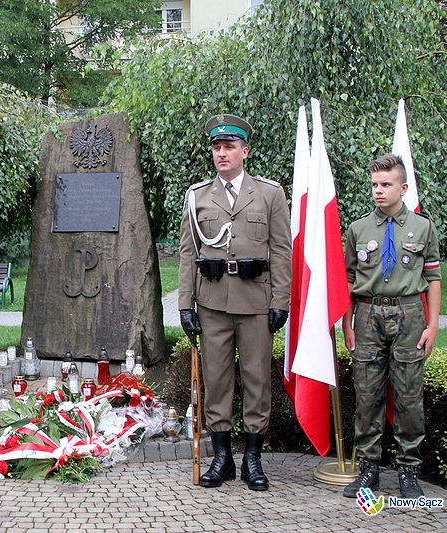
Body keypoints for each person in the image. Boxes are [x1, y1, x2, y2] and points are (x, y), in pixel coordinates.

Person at [178, 114, 292, 491]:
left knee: (258, 380)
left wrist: (281, 300)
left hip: (255, 301)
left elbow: (281, 251)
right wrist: (184, 304)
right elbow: (186, 253)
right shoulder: (197, 197)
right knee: (217, 379)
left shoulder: (270, 194)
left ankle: (253, 460)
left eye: (229, 147)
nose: (222, 153)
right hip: (212, 302)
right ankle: (223, 457)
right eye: (217, 147)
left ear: (245, 151)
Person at [341, 154, 441, 499]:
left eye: (386, 185)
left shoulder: (423, 228)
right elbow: (349, 279)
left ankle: (408, 471)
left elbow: (433, 276)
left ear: (403, 187)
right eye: (374, 185)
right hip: (368, 315)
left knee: (409, 396)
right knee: (366, 395)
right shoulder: (357, 229)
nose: (379, 191)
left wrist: (433, 325)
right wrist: (347, 323)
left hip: (410, 314)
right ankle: (368, 471)